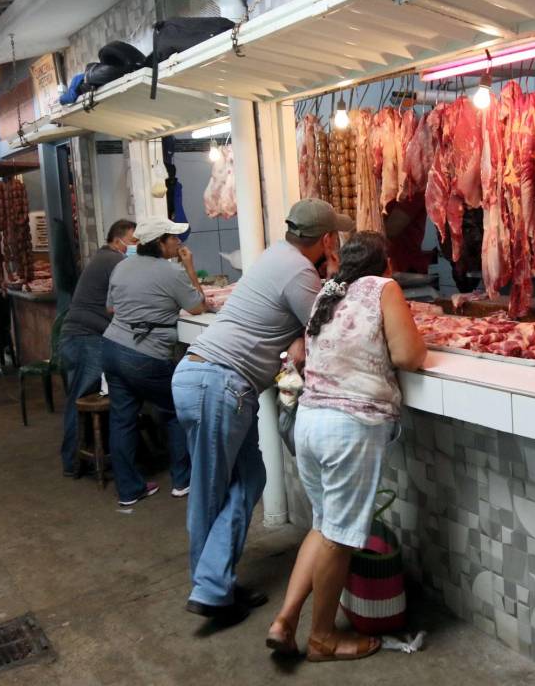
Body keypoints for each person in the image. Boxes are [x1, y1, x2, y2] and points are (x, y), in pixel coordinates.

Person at [172, 198, 353, 625]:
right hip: (220, 383)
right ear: (326, 238)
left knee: (248, 477)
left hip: (204, 377)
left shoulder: (277, 255)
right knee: (211, 489)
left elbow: (299, 325)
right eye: (336, 236)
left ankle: (214, 582)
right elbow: (332, 328)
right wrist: (335, 270)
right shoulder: (298, 271)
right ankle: (211, 588)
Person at [266, 232, 426, 662]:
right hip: (349, 429)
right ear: (386, 264)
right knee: (338, 538)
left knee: (323, 528)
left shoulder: (327, 293)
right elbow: (411, 356)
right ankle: (322, 639)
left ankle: (284, 621)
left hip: (311, 423)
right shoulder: (383, 288)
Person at [102, 215, 205, 507]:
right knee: (174, 410)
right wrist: (189, 267)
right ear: (160, 243)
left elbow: (111, 307)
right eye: (173, 238)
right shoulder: (170, 272)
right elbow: (198, 306)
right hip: (144, 355)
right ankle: (183, 481)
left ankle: (129, 490)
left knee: (122, 419)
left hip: (111, 347)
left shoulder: (121, 266)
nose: (178, 242)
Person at [59, 219, 137, 477]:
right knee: (79, 399)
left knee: (79, 398)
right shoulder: (113, 261)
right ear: (118, 241)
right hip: (85, 340)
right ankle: (72, 463)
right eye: (133, 241)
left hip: (81, 338)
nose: (135, 246)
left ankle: (81, 459)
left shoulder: (104, 259)